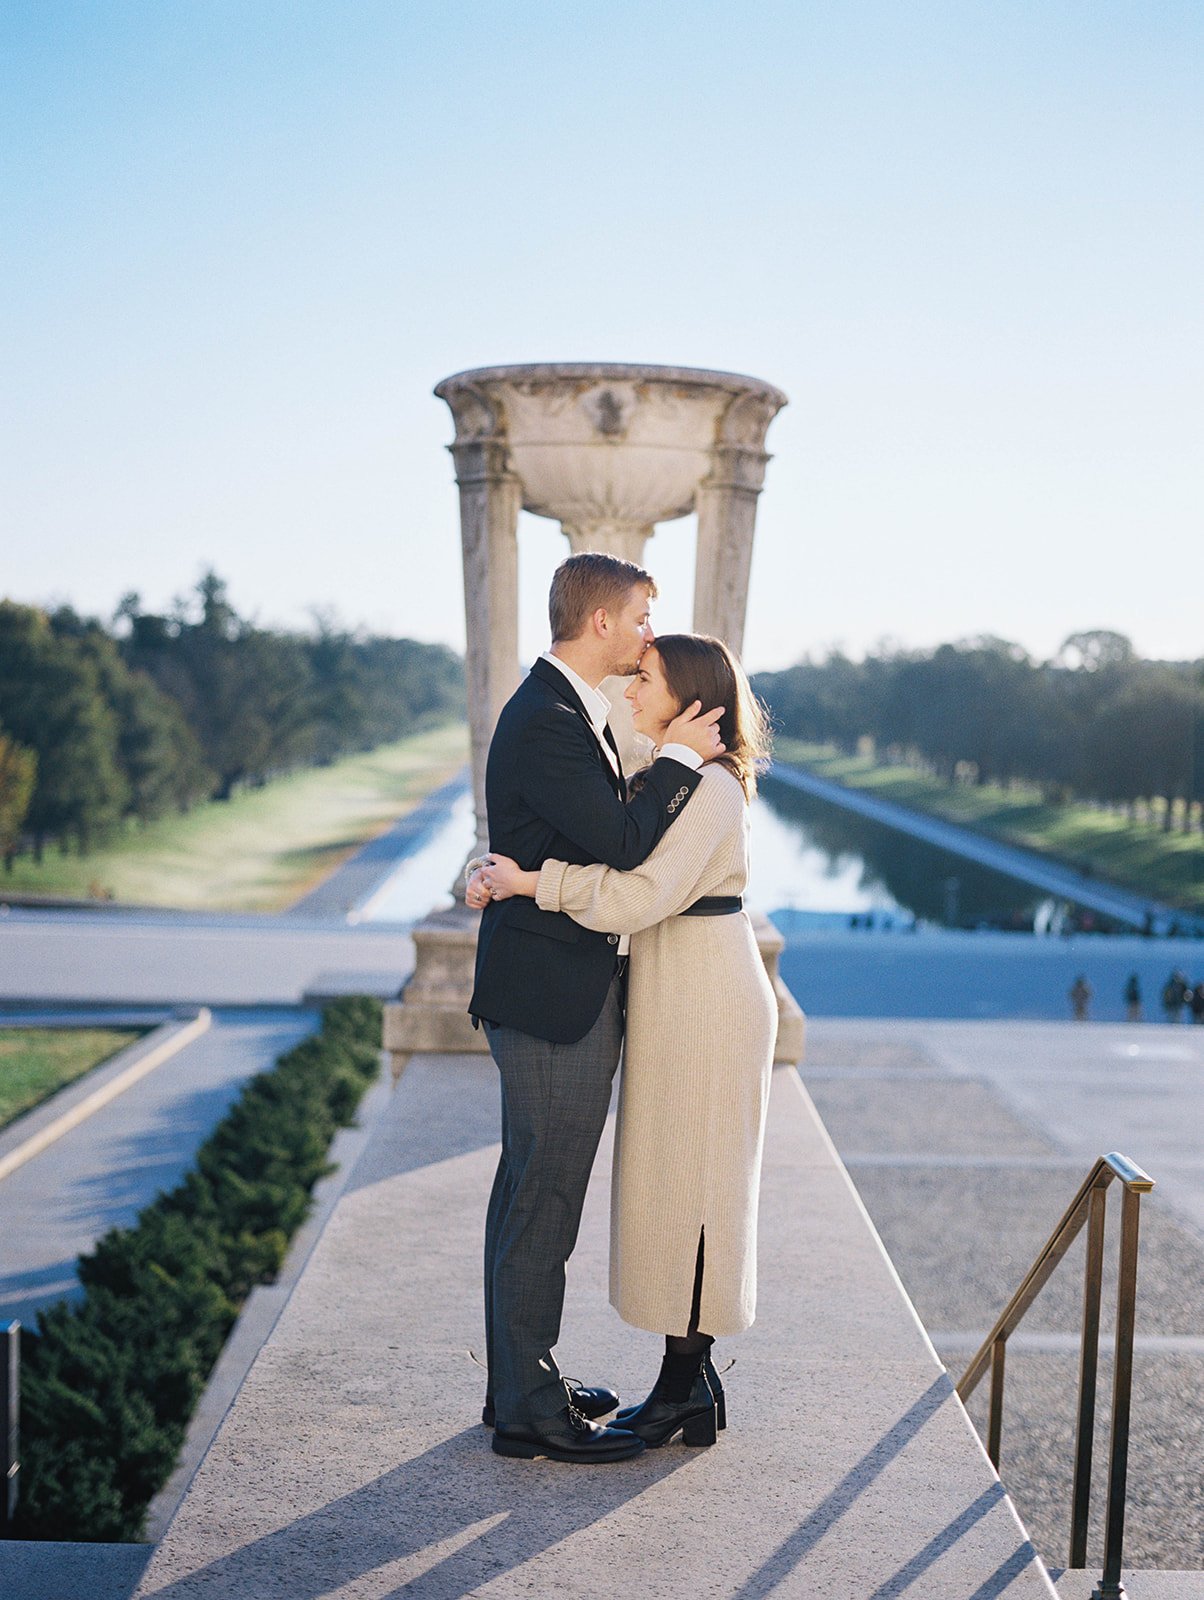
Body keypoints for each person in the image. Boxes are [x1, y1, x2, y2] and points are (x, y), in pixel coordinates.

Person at [476, 633, 777, 1452]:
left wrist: (535, 885)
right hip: (678, 992)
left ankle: (686, 1383)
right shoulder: (668, 777)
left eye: (648, 679)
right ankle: (687, 1383)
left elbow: (642, 895)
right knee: (677, 1179)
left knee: (701, 1187)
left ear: (695, 703)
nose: (633, 686)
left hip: (709, 1001)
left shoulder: (711, 789)